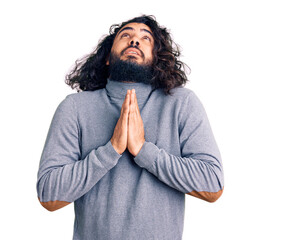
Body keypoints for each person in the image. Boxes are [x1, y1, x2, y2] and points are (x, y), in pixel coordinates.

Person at [36, 15, 224, 239]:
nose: (134, 40)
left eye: (146, 38)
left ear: (156, 59)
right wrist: (111, 150)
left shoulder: (182, 104)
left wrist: (144, 151)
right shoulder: (75, 108)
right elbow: (49, 194)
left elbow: (212, 184)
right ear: (107, 57)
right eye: (125, 35)